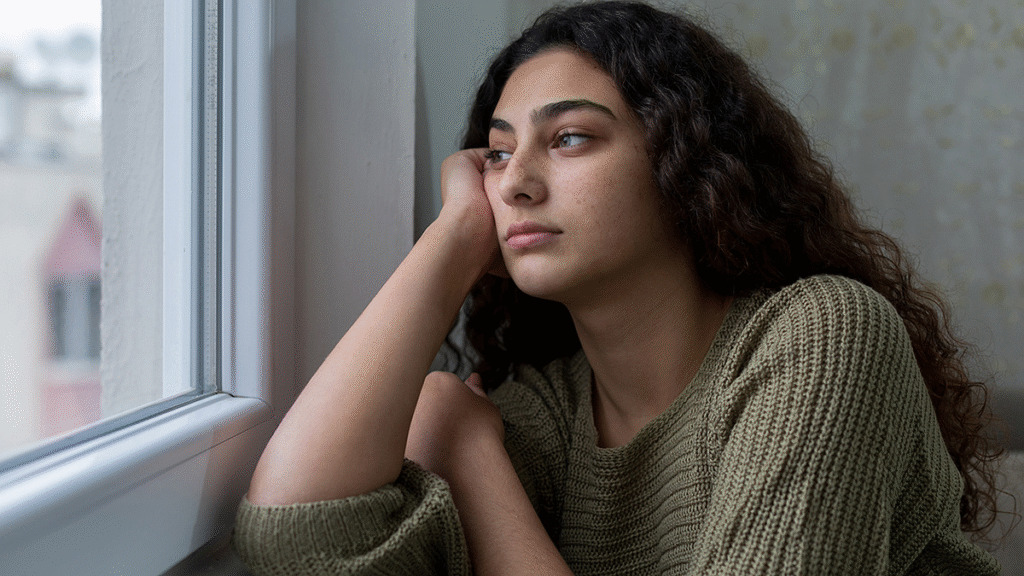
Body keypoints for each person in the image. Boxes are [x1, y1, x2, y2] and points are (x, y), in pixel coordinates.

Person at [232, 2, 1006, 574]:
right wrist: (454, 239)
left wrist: (468, 456)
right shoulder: (550, 415)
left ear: (685, 163)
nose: (516, 183)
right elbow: (298, 538)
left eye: (570, 138)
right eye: (496, 155)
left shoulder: (825, 334)